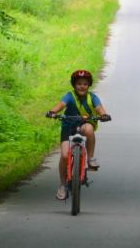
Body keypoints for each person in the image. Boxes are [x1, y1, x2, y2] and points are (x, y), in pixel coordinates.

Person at [46, 69, 111, 200]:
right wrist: (53, 112)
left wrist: (103, 114)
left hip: (84, 124)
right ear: (74, 85)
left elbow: (99, 108)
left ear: (89, 85)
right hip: (68, 126)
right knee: (65, 156)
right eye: (79, 84)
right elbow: (61, 105)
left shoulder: (92, 97)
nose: (82, 86)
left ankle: (90, 158)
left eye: (85, 84)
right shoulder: (69, 96)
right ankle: (63, 185)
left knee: (89, 129)